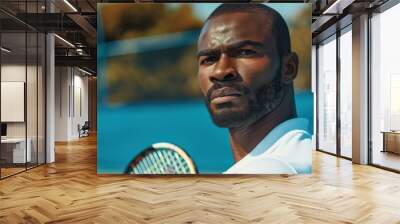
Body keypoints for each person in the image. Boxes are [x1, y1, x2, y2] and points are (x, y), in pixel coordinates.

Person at [197, 3, 312, 174]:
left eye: (245, 52)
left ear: (288, 68)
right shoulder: (304, 155)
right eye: (209, 59)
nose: (220, 71)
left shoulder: (273, 169)